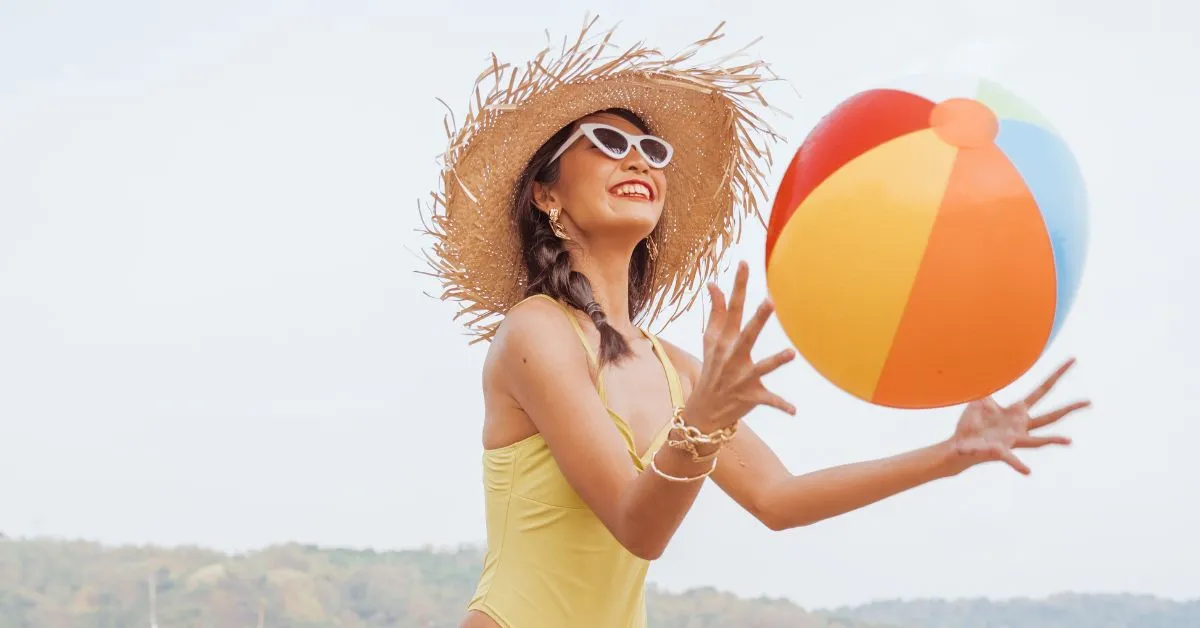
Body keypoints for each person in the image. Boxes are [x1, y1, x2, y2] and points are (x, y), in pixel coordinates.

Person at [420, 18, 1091, 628]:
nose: (638, 159)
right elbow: (636, 525)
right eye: (606, 141)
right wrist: (703, 422)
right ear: (546, 193)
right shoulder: (535, 333)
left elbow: (779, 499)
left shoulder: (677, 369)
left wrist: (950, 455)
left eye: (652, 150)